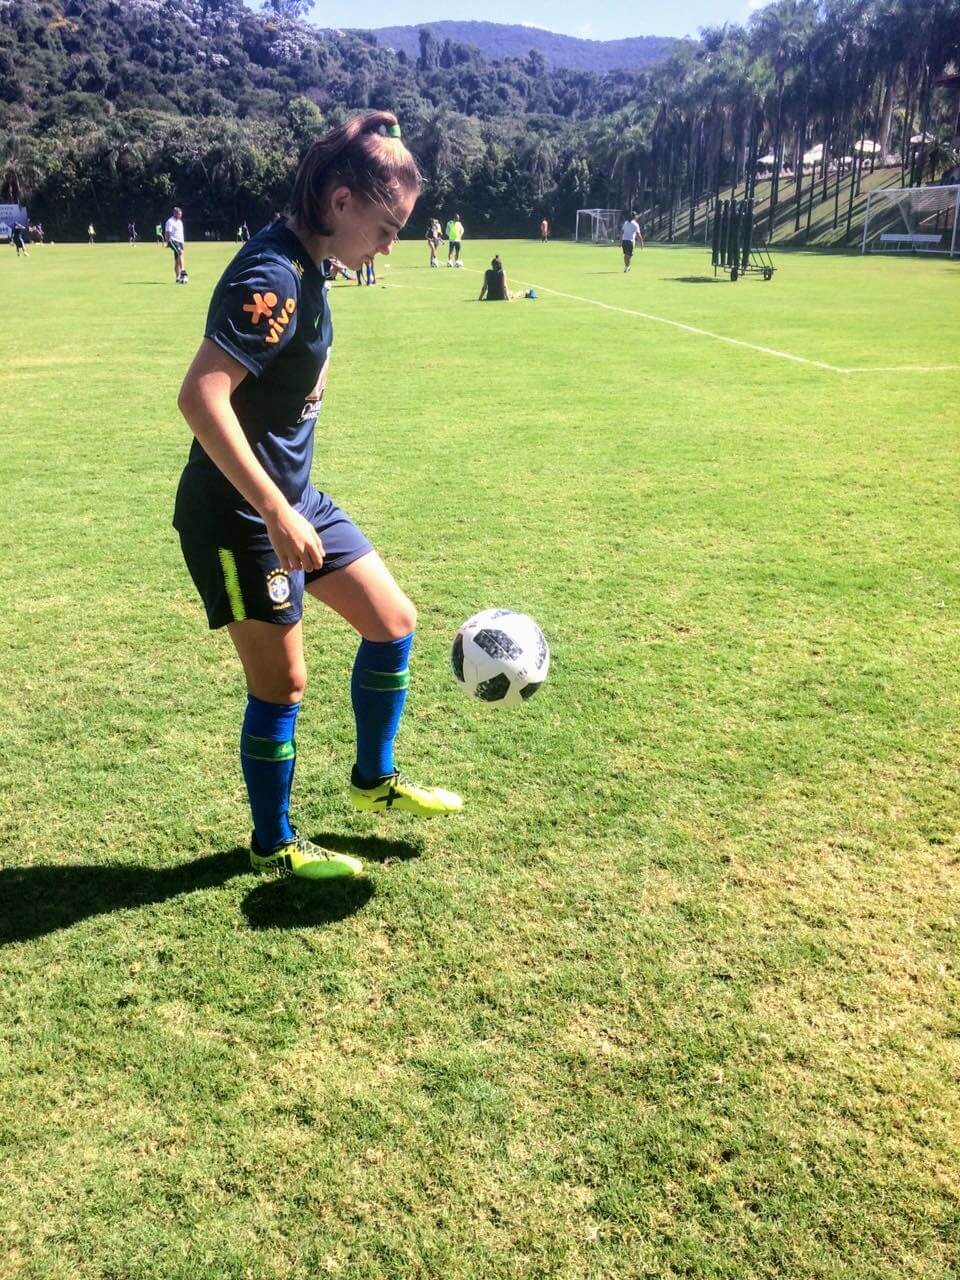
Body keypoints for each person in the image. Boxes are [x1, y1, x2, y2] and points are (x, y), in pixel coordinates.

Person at [173, 110, 462, 883]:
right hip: (241, 514)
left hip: (298, 499)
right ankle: (275, 842)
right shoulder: (271, 275)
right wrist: (275, 510)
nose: (392, 243)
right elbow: (201, 398)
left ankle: (373, 782)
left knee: (392, 621)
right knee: (282, 685)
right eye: (388, 225)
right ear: (341, 202)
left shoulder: (311, 265)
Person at [164, 205, 188, 284]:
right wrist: (167, 242)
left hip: (180, 242)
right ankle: (183, 271)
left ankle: (178, 278)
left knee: (178, 260)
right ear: (175, 213)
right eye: (179, 214)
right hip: (173, 241)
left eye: (181, 214)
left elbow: (180, 234)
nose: (180, 215)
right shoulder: (170, 221)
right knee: (180, 252)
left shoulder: (180, 222)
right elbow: (167, 232)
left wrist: (182, 243)